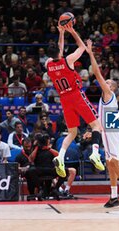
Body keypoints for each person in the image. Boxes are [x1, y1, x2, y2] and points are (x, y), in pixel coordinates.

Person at [46, 24, 104, 178]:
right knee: (96, 125)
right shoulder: (68, 60)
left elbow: (59, 48)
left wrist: (61, 34)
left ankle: (60, 156)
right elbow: (82, 47)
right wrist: (72, 31)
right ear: (59, 52)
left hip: (64, 99)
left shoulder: (48, 65)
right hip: (76, 95)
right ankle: (95, 153)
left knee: (72, 132)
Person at [86, 40, 119, 208]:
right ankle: (114, 196)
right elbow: (102, 118)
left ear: (113, 88)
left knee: (114, 163)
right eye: (106, 82)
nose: (105, 83)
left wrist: (90, 53)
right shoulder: (105, 98)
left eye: (108, 82)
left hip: (112, 129)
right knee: (109, 163)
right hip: (108, 127)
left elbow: (96, 72)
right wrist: (93, 130)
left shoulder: (108, 94)